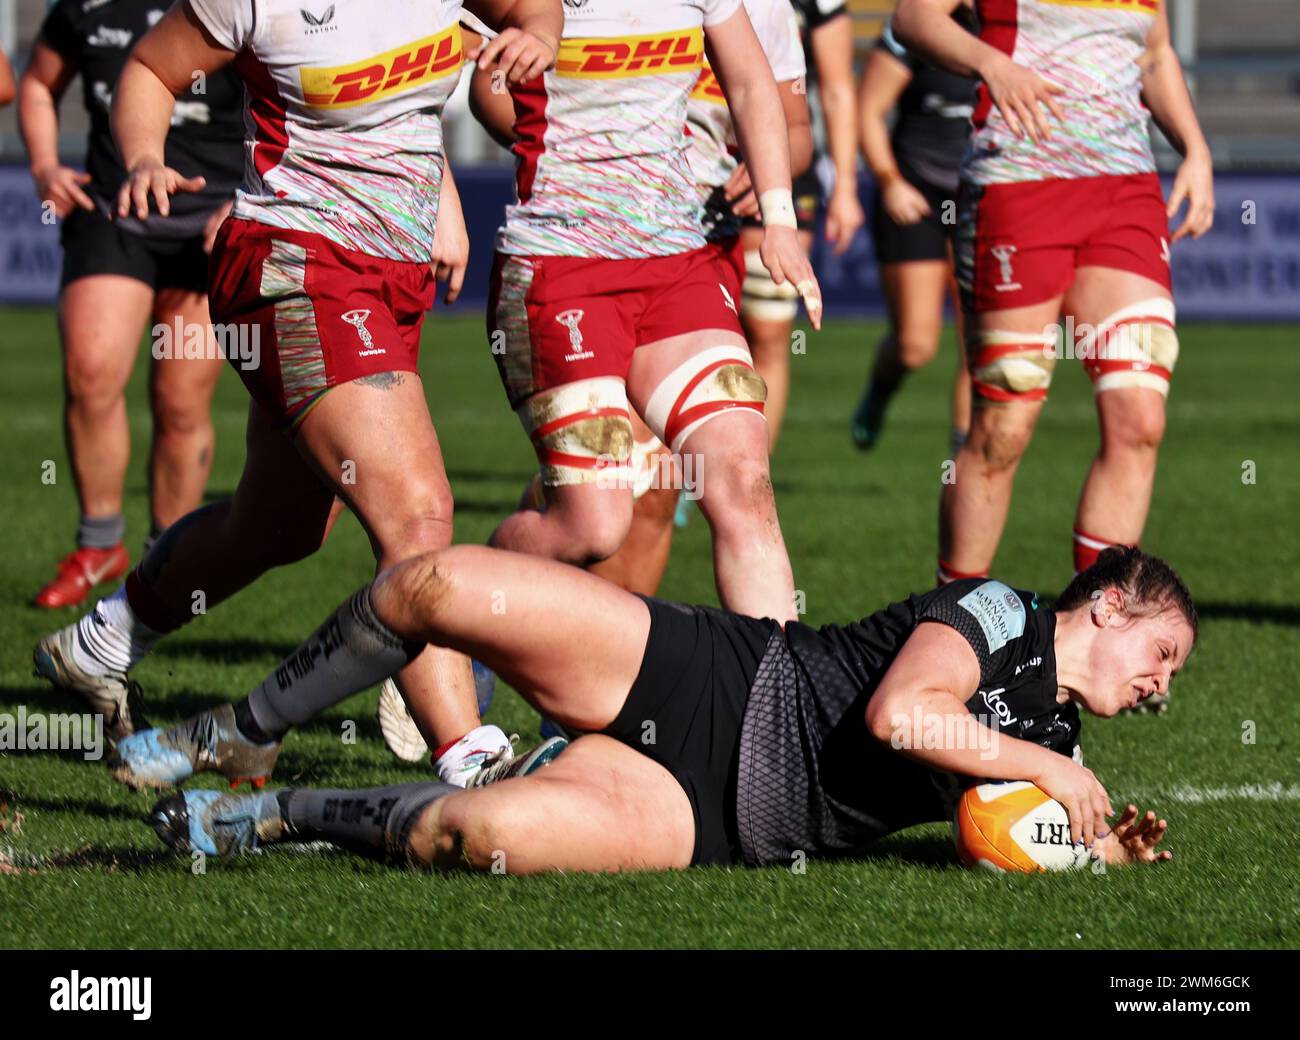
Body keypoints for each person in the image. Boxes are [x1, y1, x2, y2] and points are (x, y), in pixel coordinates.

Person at [33, 0, 567, 788]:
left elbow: (530, 8)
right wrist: (145, 155)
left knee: (278, 526)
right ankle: (470, 755)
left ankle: (103, 641)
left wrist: (537, 40)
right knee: (416, 512)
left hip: (394, 272)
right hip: (293, 266)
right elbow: (151, 66)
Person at [144, 543, 1190, 873]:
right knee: (438, 587)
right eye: (1162, 652)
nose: (1163, 682)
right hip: (710, 677)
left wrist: (1090, 847)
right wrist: (1049, 772)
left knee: (467, 833)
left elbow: (986, 832)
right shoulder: (997, 608)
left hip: (717, 821)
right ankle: (241, 732)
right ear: (1106, 604)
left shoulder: (1055, 736)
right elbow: (903, 714)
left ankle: (269, 815)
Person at [476, 0, 822, 632]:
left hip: (680, 260)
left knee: (743, 483)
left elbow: (752, 82)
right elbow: (485, 83)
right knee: (596, 523)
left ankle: (780, 707)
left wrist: (779, 218)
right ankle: (447, 599)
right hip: (564, 263)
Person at [894, 0, 1213, 657]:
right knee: (1003, 429)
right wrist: (991, 64)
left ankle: (1092, 640)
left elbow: (1153, 54)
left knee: (1139, 420)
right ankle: (949, 635)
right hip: (1019, 184)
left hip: (1124, 190)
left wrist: (1197, 148)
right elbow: (912, 18)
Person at [18, 0, 244, 608]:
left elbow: (291, 106)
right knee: (90, 373)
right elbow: (37, 84)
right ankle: (99, 545)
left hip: (210, 220)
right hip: (114, 213)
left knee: (180, 402)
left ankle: (165, 561)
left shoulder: (230, 6)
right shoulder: (84, 8)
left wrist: (249, 199)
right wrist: (43, 167)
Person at [737, 0, 864, 450]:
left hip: (784, 153)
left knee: (768, 332)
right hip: (690, 153)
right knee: (697, 328)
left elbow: (836, 87)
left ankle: (749, 476)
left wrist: (846, 186)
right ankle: (672, 469)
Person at [851, 3, 976, 454]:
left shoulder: (1011, 25)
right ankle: (881, 389)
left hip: (980, 193)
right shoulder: (916, 24)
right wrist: (889, 182)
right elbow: (868, 110)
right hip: (916, 193)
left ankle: (964, 464)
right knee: (915, 346)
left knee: (979, 344)